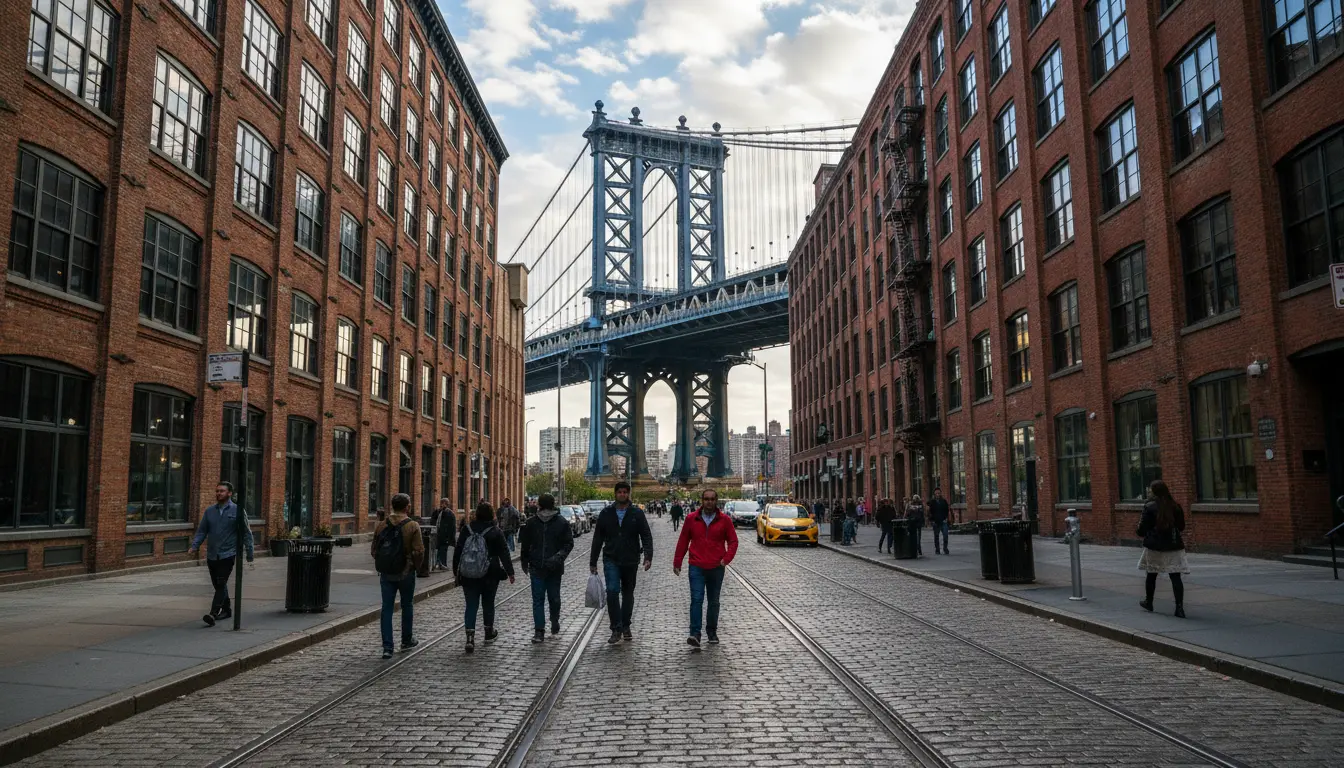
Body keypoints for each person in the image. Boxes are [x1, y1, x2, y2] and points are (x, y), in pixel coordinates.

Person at [589, 480, 653, 644]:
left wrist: (648, 556)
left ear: (628, 494)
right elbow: (598, 538)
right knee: (612, 591)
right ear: (615, 494)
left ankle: (626, 625)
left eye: (625, 492)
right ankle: (616, 628)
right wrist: (593, 561)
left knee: (628, 594)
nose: (622, 494)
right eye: (620, 492)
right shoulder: (606, 513)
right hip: (611, 558)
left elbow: (645, 534)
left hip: (630, 559)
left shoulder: (636, 513)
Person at [673, 489, 739, 648]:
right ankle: (695, 633)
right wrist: (677, 562)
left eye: (712, 499)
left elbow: (733, 541)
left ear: (716, 501)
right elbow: (683, 541)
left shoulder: (725, 520)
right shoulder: (691, 518)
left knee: (713, 601)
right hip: (696, 566)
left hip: (716, 567)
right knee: (696, 599)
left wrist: (726, 559)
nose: (709, 502)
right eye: (706, 499)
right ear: (702, 501)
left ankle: (711, 631)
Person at [189, 482, 255, 627]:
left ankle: (213, 613)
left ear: (230, 493)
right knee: (218, 584)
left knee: (220, 583)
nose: (219, 493)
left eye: (222, 491)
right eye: (217, 491)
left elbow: (246, 532)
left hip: (228, 554)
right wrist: (194, 546)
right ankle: (227, 610)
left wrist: (250, 553)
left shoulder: (237, 510)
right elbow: (202, 531)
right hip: (212, 555)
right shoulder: (210, 511)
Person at [454, 501, 516, 652]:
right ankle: (489, 632)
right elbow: (504, 553)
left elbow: (458, 551)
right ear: (491, 514)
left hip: (468, 574)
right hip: (490, 573)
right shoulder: (495, 531)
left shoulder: (466, 530)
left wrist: (456, 571)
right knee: (488, 603)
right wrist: (510, 572)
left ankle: (470, 638)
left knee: (471, 605)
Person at [371, 493, 423, 659]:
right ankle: (406, 640)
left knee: (386, 608)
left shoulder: (381, 525)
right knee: (407, 605)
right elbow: (419, 551)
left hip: (386, 573)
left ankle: (387, 646)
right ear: (407, 507)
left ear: (392, 506)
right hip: (406, 572)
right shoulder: (413, 525)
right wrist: (416, 566)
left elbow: (374, 550)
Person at [520, 493, 574, 643]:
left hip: (552, 568)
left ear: (540, 505)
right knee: (542, 599)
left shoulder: (561, 522)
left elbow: (568, 544)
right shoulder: (532, 523)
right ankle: (539, 630)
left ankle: (553, 620)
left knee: (551, 598)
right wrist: (525, 560)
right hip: (538, 566)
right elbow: (525, 544)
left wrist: (557, 557)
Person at [1138, 480, 1188, 618]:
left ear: (1154, 492)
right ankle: (1179, 608)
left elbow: (1142, 529)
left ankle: (1149, 601)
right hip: (1173, 545)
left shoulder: (1149, 506)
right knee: (1175, 576)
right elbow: (1181, 527)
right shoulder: (1175, 506)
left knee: (1151, 574)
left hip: (1155, 545)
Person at [431, 498, 455, 570]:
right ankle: (438, 563)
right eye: (441, 503)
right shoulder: (437, 512)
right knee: (438, 549)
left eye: (444, 503)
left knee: (443, 550)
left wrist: (451, 538)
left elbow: (452, 527)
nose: (441, 504)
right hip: (437, 534)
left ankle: (442, 564)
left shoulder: (450, 513)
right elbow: (433, 521)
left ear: (447, 504)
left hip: (445, 535)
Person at [928, 488, 951, 555]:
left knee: (945, 535)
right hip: (936, 522)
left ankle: (945, 548)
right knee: (936, 536)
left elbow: (947, 510)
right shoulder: (932, 502)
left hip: (943, 521)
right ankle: (937, 549)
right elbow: (930, 512)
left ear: (940, 493)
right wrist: (932, 520)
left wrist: (946, 518)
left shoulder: (944, 501)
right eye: (936, 493)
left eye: (939, 493)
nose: (938, 494)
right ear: (934, 494)